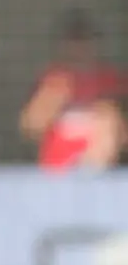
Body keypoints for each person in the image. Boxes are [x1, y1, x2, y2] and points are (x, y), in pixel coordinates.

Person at [22, 10, 125, 171]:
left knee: (108, 119)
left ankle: (88, 169)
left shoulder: (111, 80)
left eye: (84, 40)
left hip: (100, 172)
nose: (79, 48)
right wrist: (52, 98)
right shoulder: (53, 79)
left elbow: (122, 134)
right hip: (57, 170)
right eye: (73, 41)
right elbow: (31, 127)